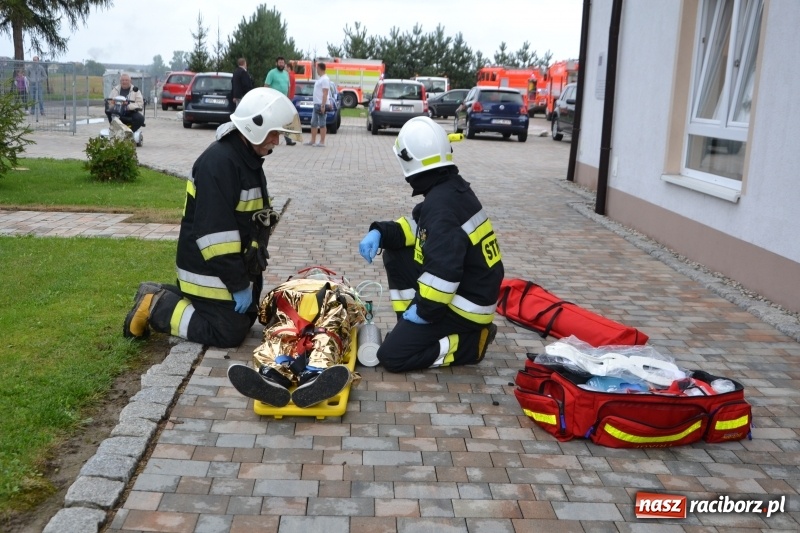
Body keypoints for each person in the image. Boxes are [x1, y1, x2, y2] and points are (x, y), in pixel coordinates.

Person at [122, 88, 302, 348]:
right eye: (274, 133)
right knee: (228, 332)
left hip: (225, 269)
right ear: (254, 127)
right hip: (205, 271)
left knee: (246, 318)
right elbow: (215, 237)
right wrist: (239, 284)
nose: (277, 140)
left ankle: (161, 294)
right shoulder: (219, 163)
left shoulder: (245, 158)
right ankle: (155, 305)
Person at [358, 116, 503, 372]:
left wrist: (425, 312)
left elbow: (444, 274)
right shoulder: (448, 189)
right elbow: (417, 230)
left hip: (466, 307)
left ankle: (470, 345)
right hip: (470, 289)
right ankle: (410, 326)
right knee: (396, 252)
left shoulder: (441, 207)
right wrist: (380, 232)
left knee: (392, 357)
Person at [227, 270, 366, 408]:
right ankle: (315, 372)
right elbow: (356, 314)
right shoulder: (338, 288)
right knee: (327, 337)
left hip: (288, 311)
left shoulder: (286, 287)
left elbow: (264, 314)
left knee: (278, 337)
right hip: (328, 307)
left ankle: (272, 373)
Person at [264, 56, 296, 146]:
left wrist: (288, 98)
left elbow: (288, 86)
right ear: (276, 63)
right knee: (272, 120)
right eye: (280, 63)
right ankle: (268, 138)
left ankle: (288, 140)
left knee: (286, 120)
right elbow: (266, 85)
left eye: (283, 63)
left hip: (284, 101)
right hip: (274, 101)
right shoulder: (272, 73)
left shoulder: (286, 74)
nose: (281, 64)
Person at [304, 62, 329, 147]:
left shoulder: (325, 79)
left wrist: (323, 105)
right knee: (313, 122)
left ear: (320, 68)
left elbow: (325, 92)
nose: (316, 70)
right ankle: (313, 140)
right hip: (316, 104)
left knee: (322, 123)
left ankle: (322, 141)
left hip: (321, 104)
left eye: (317, 68)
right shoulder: (321, 79)